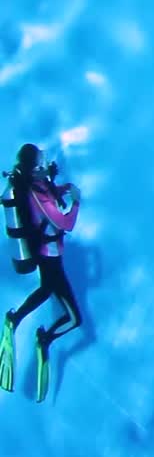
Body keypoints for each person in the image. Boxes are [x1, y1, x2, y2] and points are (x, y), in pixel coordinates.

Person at [0, 144, 83, 402]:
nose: (46, 163)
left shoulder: (39, 184)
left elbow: (49, 194)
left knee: (47, 291)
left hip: (52, 257)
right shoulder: (36, 193)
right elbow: (65, 222)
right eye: (42, 161)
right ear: (35, 167)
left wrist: (62, 188)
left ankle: (31, 330)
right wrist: (76, 201)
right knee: (73, 317)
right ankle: (25, 327)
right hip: (49, 257)